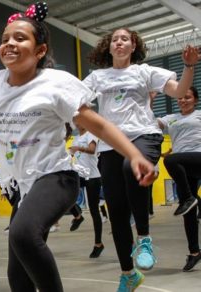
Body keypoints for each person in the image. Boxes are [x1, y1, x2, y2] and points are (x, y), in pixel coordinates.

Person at [0, 3, 156, 292]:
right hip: (20, 186)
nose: (9, 43)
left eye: (20, 38)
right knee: (18, 277)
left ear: (40, 51)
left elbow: (98, 125)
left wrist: (134, 154)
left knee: (23, 234)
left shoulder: (55, 84)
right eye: (5, 38)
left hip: (55, 177)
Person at [83, 26, 200, 286]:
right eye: (115, 40)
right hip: (109, 144)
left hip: (144, 135)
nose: (120, 43)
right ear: (109, 46)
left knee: (130, 167)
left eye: (125, 39)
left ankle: (144, 239)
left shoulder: (144, 71)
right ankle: (128, 274)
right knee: (116, 211)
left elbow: (179, 92)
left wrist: (189, 67)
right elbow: (75, 101)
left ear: (133, 46)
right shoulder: (97, 77)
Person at [158, 86, 201, 271]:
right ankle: (194, 252)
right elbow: (152, 123)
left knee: (171, 159)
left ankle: (192, 199)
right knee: (187, 209)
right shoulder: (171, 118)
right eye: (180, 98)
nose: (183, 100)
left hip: (198, 156)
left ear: (196, 100)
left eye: (188, 97)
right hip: (184, 166)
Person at [69, 120, 104, 258]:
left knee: (94, 210)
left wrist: (78, 148)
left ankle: (98, 244)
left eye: (80, 121)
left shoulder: (91, 134)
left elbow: (92, 150)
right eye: (76, 122)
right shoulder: (76, 138)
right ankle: (78, 216)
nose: (78, 124)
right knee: (65, 194)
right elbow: (71, 155)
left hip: (93, 176)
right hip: (80, 174)